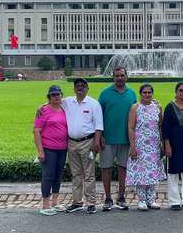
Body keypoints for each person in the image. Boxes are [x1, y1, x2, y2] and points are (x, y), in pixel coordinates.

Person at [98, 66, 137, 211]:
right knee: (106, 169)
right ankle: (108, 198)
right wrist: (100, 135)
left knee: (123, 169)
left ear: (126, 76)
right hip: (107, 139)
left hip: (126, 139)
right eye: (117, 76)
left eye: (122, 75)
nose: (119, 78)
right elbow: (98, 116)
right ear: (113, 77)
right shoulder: (105, 93)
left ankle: (121, 196)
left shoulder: (131, 94)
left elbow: (137, 113)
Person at [62, 78, 103, 214]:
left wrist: (96, 143)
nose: (80, 88)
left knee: (89, 174)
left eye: (83, 86)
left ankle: (91, 203)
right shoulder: (68, 102)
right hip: (72, 142)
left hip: (88, 143)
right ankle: (77, 202)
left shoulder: (93, 104)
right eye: (77, 86)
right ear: (74, 89)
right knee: (76, 174)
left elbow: (98, 126)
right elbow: (53, 103)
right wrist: (41, 106)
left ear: (87, 88)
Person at [126, 83, 166, 211]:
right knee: (141, 172)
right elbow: (131, 128)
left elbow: (160, 126)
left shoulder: (157, 107)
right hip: (140, 145)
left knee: (153, 171)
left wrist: (163, 144)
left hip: (154, 145)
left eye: (149, 92)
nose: (147, 95)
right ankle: (141, 199)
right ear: (140, 94)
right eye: (144, 92)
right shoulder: (135, 107)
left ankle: (151, 199)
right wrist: (133, 146)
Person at [33, 85, 67, 216]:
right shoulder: (44, 111)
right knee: (48, 175)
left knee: (58, 175)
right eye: (53, 95)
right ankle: (45, 203)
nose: (56, 97)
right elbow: (36, 131)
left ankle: (55, 201)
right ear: (49, 97)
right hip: (48, 148)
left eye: (58, 94)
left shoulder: (64, 108)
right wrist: (40, 150)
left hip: (62, 148)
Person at [162, 82, 183, 211]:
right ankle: (174, 201)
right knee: (173, 173)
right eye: (180, 90)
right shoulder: (170, 107)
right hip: (174, 144)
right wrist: (167, 145)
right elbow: (165, 128)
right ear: (176, 92)